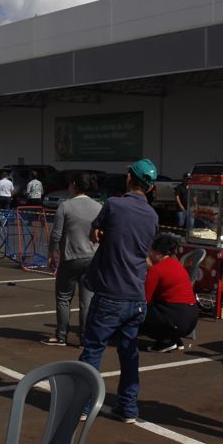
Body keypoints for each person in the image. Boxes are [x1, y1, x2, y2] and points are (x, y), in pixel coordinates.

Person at [79, 159, 158, 424]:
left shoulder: (114, 205)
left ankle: (83, 404)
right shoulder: (152, 215)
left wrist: (101, 236)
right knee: (129, 353)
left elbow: (95, 232)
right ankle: (128, 408)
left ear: (128, 178)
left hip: (111, 292)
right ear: (150, 187)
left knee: (93, 348)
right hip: (136, 294)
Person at [42, 171, 102, 347]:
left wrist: (52, 254)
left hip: (70, 258)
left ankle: (61, 335)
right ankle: (84, 337)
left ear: (74, 185)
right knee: (87, 301)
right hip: (91, 257)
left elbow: (56, 234)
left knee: (63, 297)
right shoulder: (98, 207)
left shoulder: (65, 206)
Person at [140, 233, 198, 353]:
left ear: (157, 253)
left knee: (139, 310)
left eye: (150, 251)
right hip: (191, 317)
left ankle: (166, 340)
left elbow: (145, 299)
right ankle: (173, 338)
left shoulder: (156, 270)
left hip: (177, 317)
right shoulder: (176, 265)